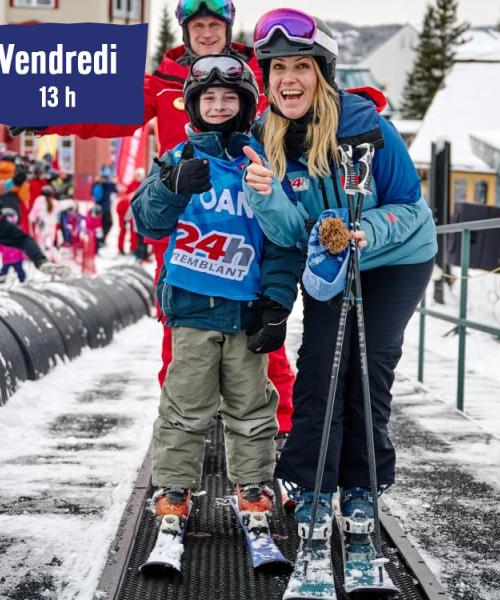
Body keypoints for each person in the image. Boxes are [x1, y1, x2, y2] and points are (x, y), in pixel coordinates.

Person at [6, 0, 297, 438]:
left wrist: (360, 111)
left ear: (227, 27)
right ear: (186, 31)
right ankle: (180, 431)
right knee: (178, 331)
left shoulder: (256, 72)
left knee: (260, 327)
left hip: (248, 223)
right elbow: (105, 108)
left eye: (213, 24)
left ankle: (283, 428)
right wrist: (46, 115)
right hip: (185, 227)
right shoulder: (164, 83)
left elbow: (306, 98)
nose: (205, 33)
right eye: (197, 25)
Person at [242, 9, 437, 531]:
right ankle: (310, 483)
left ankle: (361, 484)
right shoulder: (266, 139)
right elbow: (287, 237)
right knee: (323, 364)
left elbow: (411, 207)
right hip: (331, 263)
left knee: (368, 364)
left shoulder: (367, 129)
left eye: (301, 66)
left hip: (395, 258)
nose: (288, 79)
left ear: (322, 72)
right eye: (278, 68)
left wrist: (365, 230)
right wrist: (264, 199)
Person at [132, 55, 300, 520]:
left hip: (246, 312)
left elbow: (283, 241)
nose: (220, 105)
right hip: (192, 309)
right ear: (193, 104)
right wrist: (172, 186)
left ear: (247, 106)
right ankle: (173, 488)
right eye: (210, 97)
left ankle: (252, 486)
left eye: (230, 98)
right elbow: (147, 221)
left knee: (251, 407)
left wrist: (277, 302)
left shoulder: (264, 162)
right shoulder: (177, 158)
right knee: (185, 407)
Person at [0, 208, 27, 283]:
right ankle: (2, 280)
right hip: (7, 257)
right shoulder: (2, 231)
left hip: (16, 257)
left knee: (20, 271)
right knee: (4, 271)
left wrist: (24, 253)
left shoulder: (17, 230)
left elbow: (24, 242)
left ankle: (23, 281)